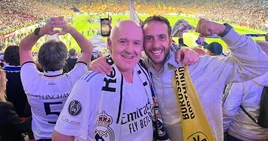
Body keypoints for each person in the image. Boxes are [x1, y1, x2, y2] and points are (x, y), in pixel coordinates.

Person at [90, 16, 268, 141]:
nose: (156, 45)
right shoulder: (140, 70)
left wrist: (223, 30)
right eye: (149, 39)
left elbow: (259, 65)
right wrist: (105, 60)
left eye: (161, 38)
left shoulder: (201, 66)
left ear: (170, 40)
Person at [52, 20, 198, 141]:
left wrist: (183, 49)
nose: (130, 49)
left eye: (136, 43)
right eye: (123, 41)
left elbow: (163, 53)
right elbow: (61, 136)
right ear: (110, 43)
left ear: (141, 47)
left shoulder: (144, 69)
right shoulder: (90, 83)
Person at [19, 18, 92, 141]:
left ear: (39, 61)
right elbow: (87, 50)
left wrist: (41, 31)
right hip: (67, 136)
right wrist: (71, 30)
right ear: (64, 61)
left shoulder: (31, 81)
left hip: (41, 136)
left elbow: (24, 48)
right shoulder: (73, 81)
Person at [222, 40, 268, 141]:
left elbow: (228, 109)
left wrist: (220, 132)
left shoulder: (242, 76)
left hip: (239, 133)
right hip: (263, 136)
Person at [0, 68, 32, 141]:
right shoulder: (5, 107)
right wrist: (37, 115)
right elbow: (21, 127)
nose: (7, 80)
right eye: (4, 79)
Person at [3, 45, 30, 118]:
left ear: (5, 58)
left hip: (5, 116)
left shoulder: (2, 75)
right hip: (25, 115)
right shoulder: (29, 74)